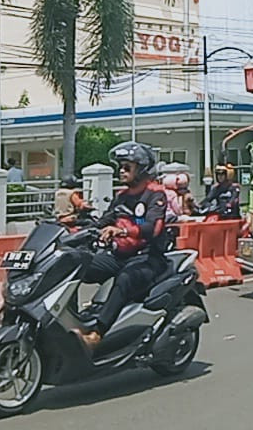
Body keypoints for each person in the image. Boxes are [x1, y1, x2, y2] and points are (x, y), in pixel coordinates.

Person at [73, 141, 170, 351]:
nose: (122, 171)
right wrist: (72, 228)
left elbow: (153, 228)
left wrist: (123, 231)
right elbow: (103, 221)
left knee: (125, 279)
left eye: (127, 167)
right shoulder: (122, 197)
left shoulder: (155, 194)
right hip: (119, 255)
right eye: (120, 167)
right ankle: (70, 322)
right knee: (74, 265)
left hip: (148, 257)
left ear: (142, 169)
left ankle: (97, 334)